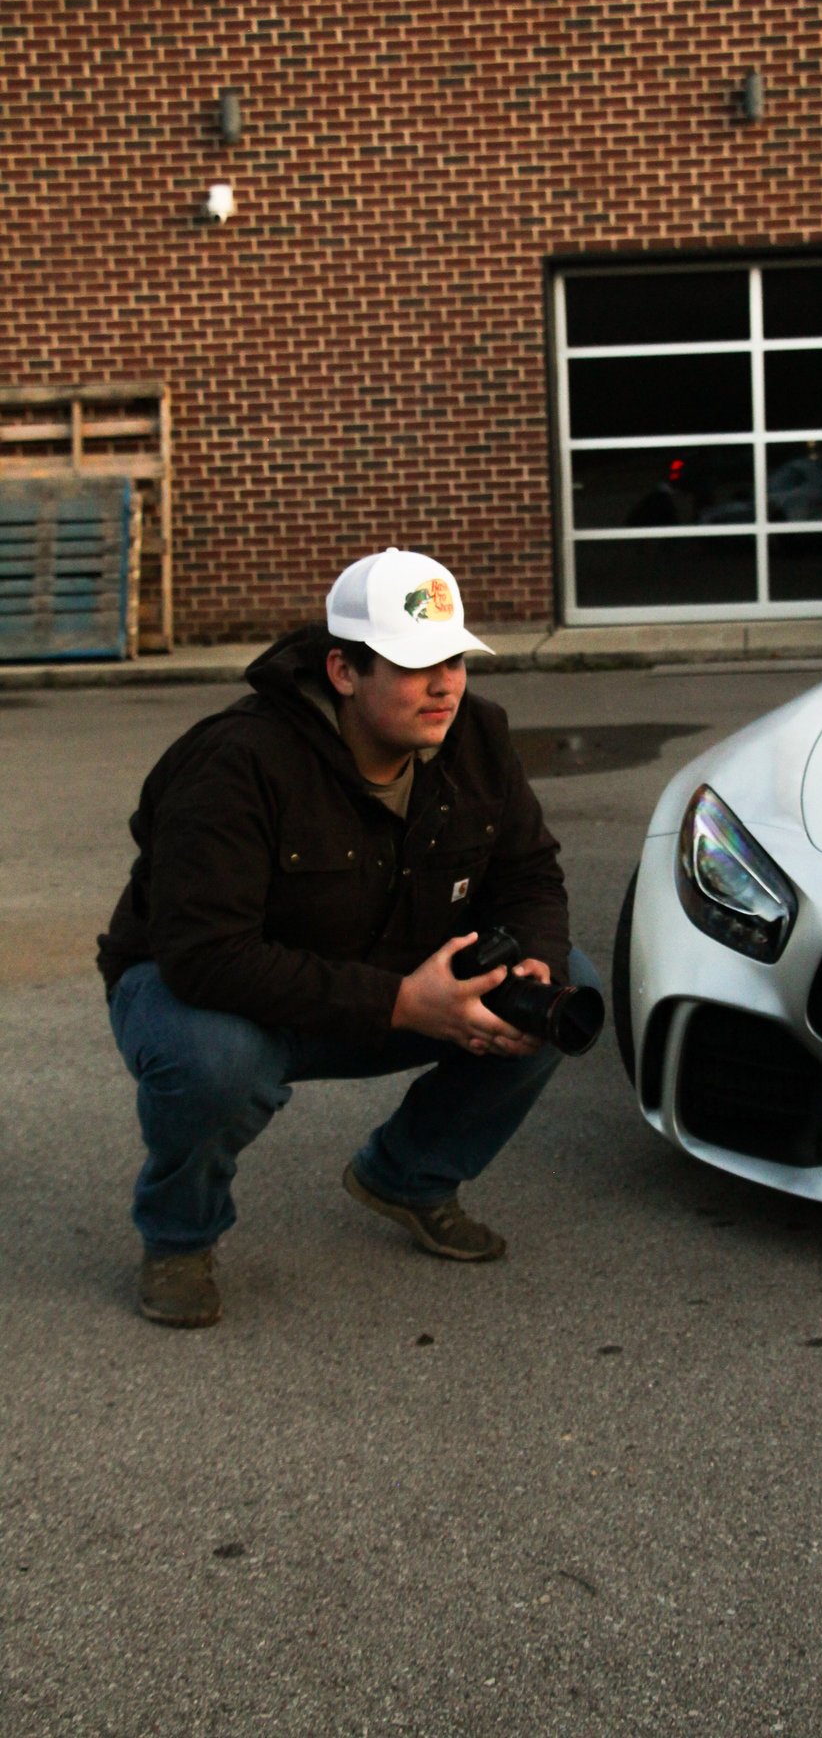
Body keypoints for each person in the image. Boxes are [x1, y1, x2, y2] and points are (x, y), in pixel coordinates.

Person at [99, 547, 598, 1328]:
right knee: (214, 1061)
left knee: (564, 986)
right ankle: (178, 1236)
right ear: (342, 672)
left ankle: (409, 1176)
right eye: (414, 664)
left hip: (380, 982)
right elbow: (205, 955)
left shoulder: (479, 736)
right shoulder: (235, 762)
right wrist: (403, 1002)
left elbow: (530, 874)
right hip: (212, 995)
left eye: (455, 658)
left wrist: (531, 956)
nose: (444, 685)